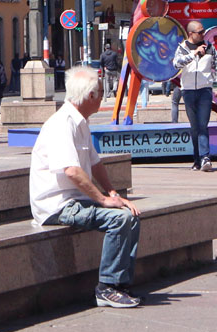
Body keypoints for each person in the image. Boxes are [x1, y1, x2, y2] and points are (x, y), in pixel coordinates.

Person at [29, 65, 142, 309]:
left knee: (130, 215)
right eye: (100, 93)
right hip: (57, 206)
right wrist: (103, 200)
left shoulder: (80, 122)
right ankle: (106, 288)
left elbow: (94, 163)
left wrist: (113, 194)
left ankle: (120, 284)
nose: (102, 97)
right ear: (90, 95)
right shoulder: (62, 124)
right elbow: (71, 171)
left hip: (75, 201)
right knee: (119, 219)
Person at [171, 21, 217, 172]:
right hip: (188, 90)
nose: (203, 34)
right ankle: (197, 159)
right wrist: (193, 54)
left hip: (205, 89)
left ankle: (205, 157)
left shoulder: (210, 47)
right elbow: (176, 64)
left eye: (203, 31)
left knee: (203, 124)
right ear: (191, 34)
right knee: (194, 127)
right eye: (200, 32)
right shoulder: (182, 48)